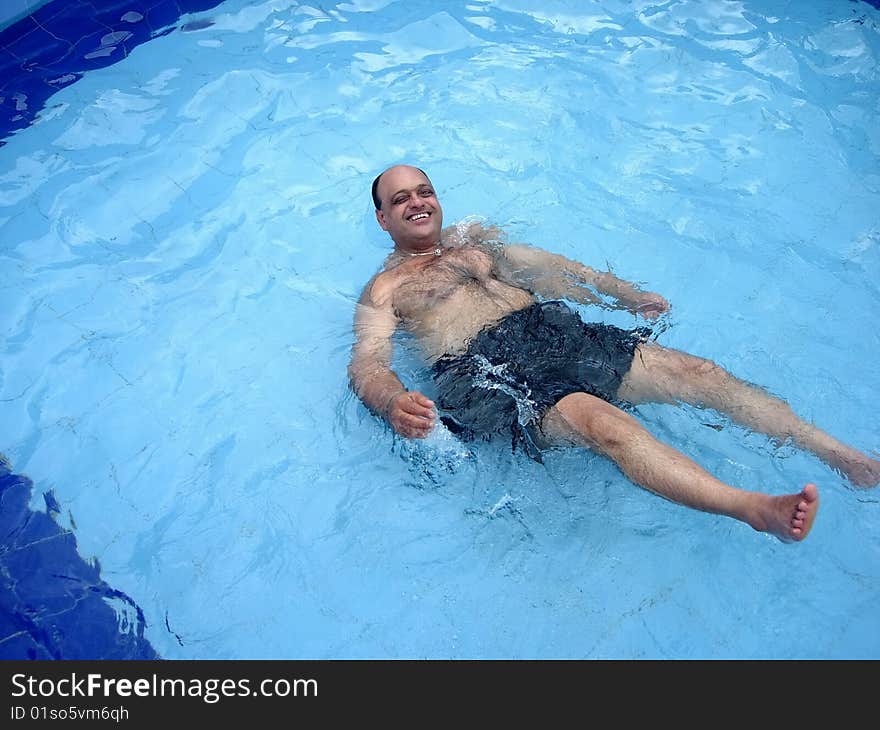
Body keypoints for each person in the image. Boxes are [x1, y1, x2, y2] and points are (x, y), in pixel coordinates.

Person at [348, 164, 880, 543]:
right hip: (491, 374)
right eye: (400, 199)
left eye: (425, 191)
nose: (417, 202)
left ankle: (845, 457)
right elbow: (368, 363)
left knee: (702, 373)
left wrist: (624, 293)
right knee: (607, 426)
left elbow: (552, 269)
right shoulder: (386, 289)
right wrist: (393, 401)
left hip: (552, 333)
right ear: (382, 219)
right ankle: (753, 508)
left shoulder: (477, 245)